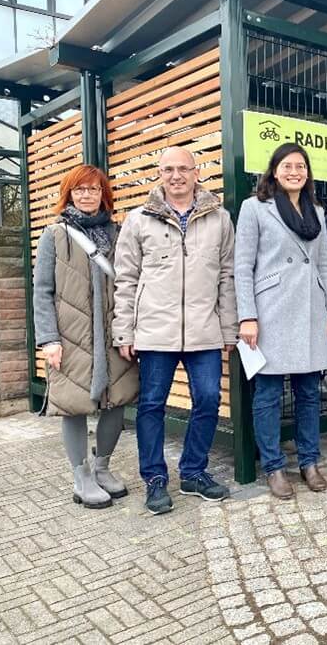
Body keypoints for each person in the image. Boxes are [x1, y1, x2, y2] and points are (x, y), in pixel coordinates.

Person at [113, 146, 238, 516]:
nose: (176, 176)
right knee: (151, 406)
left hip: (205, 331)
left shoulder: (219, 219)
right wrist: (125, 332)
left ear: (197, 172)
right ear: (159, 174)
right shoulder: (138, 219)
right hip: (154, 332)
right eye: (168, 169)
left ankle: (193, 472)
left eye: (183, 168)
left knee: (209, 400)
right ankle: (154, 479)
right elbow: (125, 279)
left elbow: (227, 278)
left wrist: (228, 329)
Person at [235, 143, 327, 500]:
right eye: (287, 166)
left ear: (308, 173)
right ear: (274, 171)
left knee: (309, 392)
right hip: (270, 311)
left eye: (301, 166)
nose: (294, 172)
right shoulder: (254, 208)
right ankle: (274, 466)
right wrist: (247, 316)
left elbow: (325, 263)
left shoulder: (316, 211)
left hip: (311, 309)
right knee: (267, 393)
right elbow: (242, 266)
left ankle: (309, 461)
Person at [33, 165, 139, 509]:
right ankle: (81, 477)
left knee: (116, 399)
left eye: (94, 189)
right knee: (73, 404)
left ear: (103, 194)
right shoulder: (55, 234)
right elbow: (42, 291)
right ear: (69, 193)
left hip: (112, 332)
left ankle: (102, 467)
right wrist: (49, 339)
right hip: (71, 335)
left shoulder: (119, 232)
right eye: (80, 189)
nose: (87, 195)